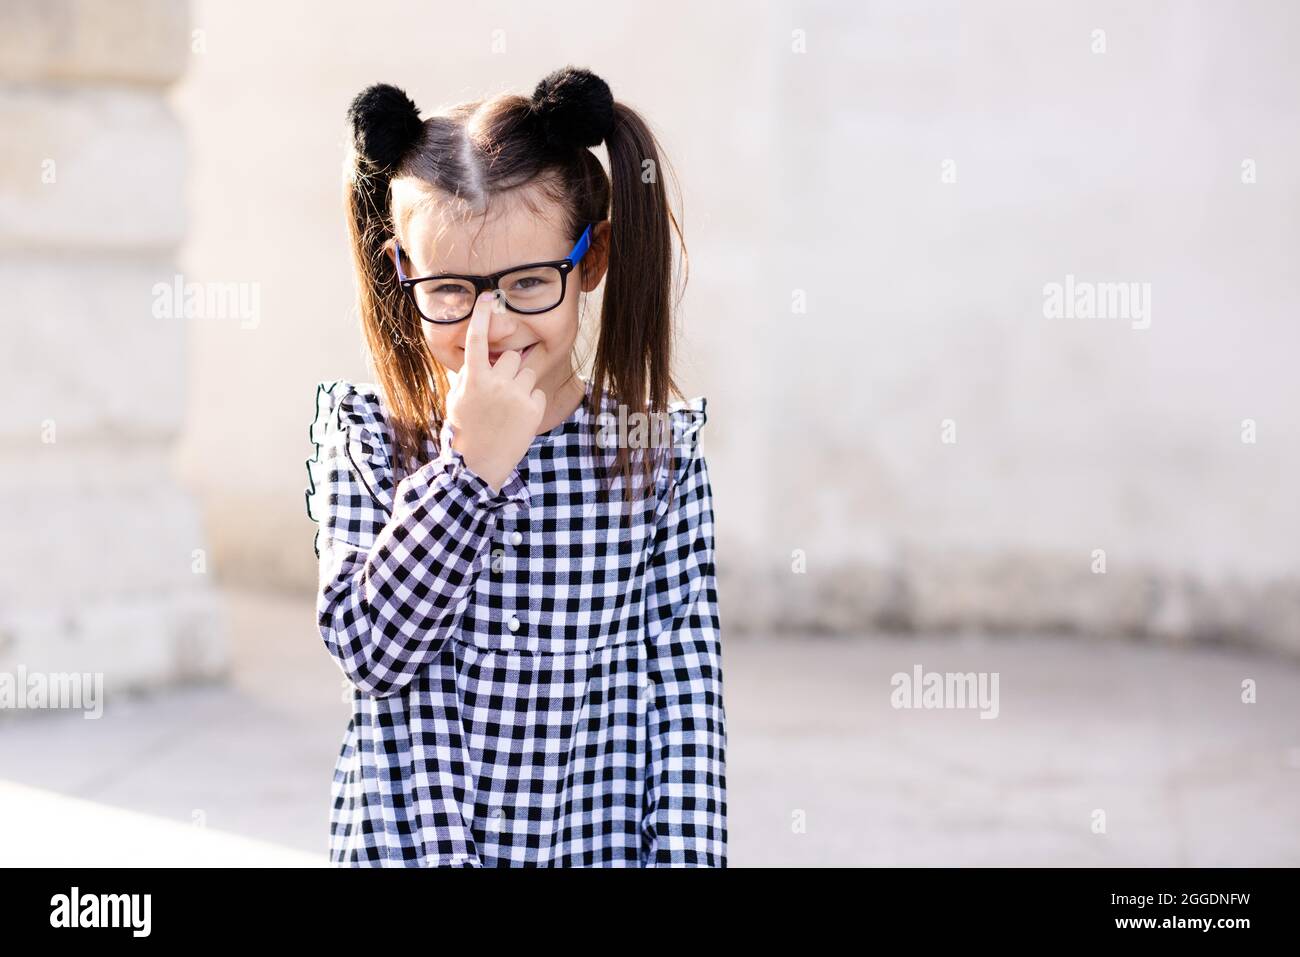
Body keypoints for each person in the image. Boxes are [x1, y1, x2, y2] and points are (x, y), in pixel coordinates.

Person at [303, 66, 727, 866]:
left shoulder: (652, 457)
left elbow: (685, 711)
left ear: (591, 257)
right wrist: (467, 472)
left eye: (529, 282)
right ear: (403, 271)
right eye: (453, 291)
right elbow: (368, 650)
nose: (488, 329)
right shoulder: (365, 435)